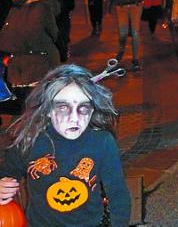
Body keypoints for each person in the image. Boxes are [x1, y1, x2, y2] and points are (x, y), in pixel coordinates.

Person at [0, 64, 131, 226]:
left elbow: (118, 193)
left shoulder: (102, 142)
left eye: (83, 107)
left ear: (92, 110)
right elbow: (8, 173)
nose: (74, 118)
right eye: (63, 107)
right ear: (47, 109)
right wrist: (2, 185)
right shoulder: (29, 140)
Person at [0, 0, 60, 114]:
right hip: (30, 67)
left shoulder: (30, 8)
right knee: (35, 111)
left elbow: (16, 38)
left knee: (34, 113)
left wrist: (11, 53)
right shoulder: (30, 6)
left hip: (34, 69)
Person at [107, 0, 143, 72]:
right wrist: (108, 7)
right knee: (123, 32)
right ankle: (121, 50)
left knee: (135, 32)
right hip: (121, 6)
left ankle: (135, 59)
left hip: (135, 5)